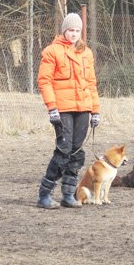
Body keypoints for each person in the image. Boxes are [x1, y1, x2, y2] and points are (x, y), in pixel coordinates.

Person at [36, 12, 100, 209]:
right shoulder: (52, 51)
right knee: (63, 151)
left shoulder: (86, 53)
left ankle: (68, 194)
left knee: (77, 152)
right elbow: (44, 81)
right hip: (62, 109)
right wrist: (52, 108)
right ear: (64, 31)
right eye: (71, 30)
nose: (74, 34)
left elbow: (91, 83)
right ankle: (44, 194)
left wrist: (95, 110)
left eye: (77, 30)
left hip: (83, 108)